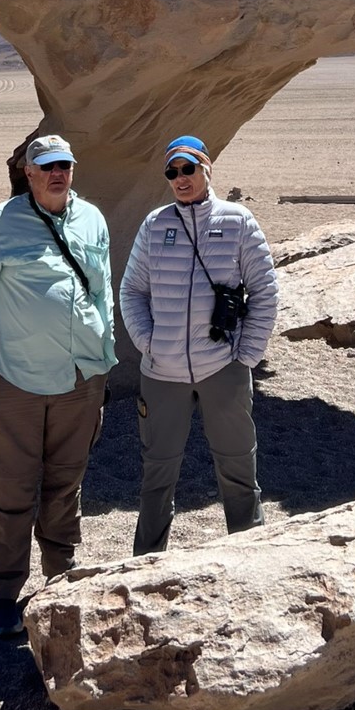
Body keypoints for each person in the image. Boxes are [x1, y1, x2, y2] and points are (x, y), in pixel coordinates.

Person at [0, 132, 116, 638]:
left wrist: (103, 356)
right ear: (29, 173)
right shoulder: (1, 223)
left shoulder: (92, 219)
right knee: (9, 489)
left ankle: (60, 573)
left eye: (64, 165)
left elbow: (102, 290)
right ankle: (3, 595)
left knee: (65, 483)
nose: (57, 174)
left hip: (80, 380)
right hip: (13, 381)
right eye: (47, 166)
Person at [120, 134, 279, 556]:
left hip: (222, 367)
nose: (180, 178)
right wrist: (149, 343)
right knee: (157, 475)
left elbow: (265, 291)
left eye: (188, 168)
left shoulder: (238, 221)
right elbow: (132, 290)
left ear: (206, 169)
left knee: (238, 469)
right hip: (162, 372)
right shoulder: (155, 225)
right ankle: (146, 564)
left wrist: (246, 356)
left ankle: (250, 559)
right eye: (171, 171)